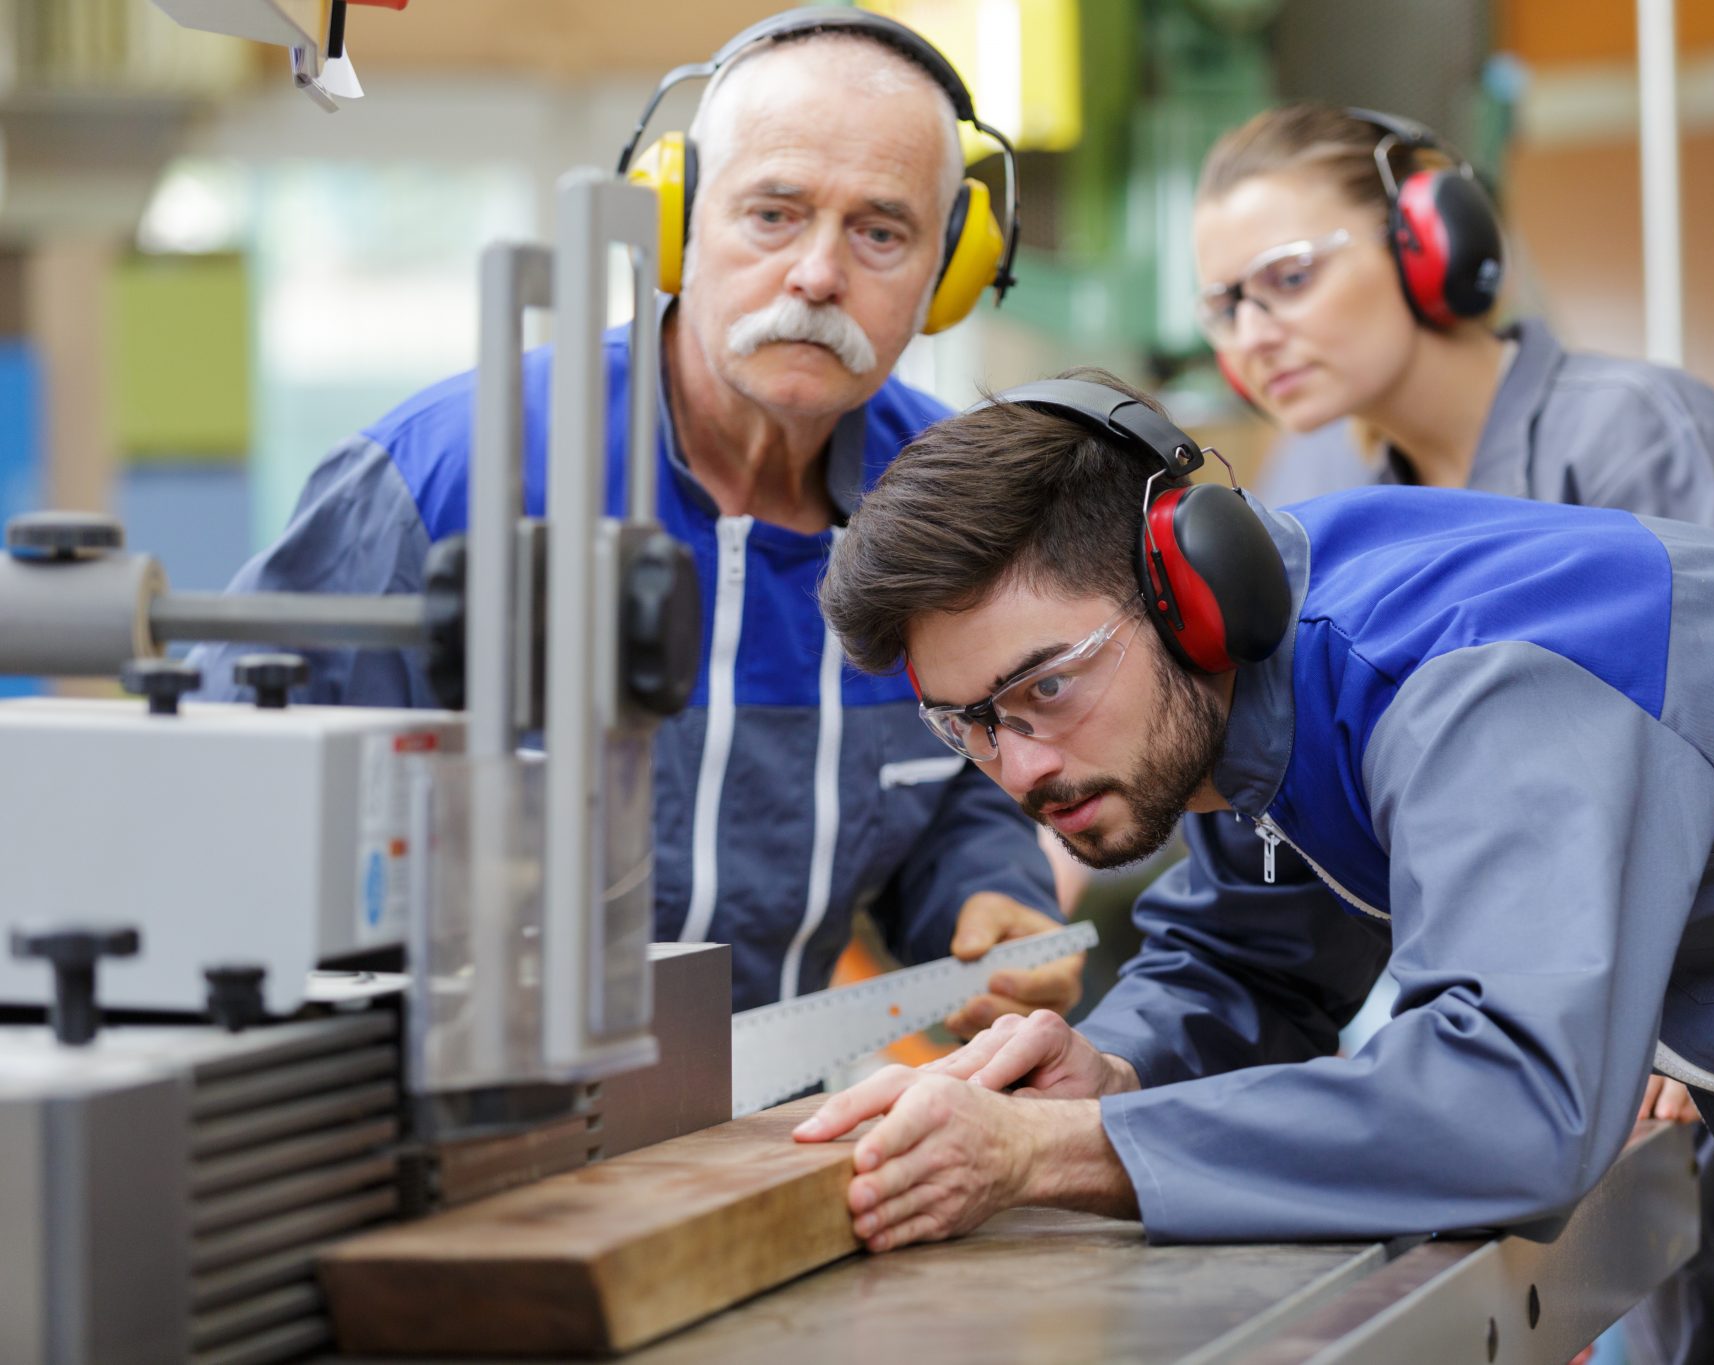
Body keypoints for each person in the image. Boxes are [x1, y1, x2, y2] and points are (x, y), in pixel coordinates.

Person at [797, 373, 1714, 1364]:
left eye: (1043, 689)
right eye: (967, 723)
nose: (1016, 768)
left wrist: (1041, 1155)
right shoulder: (1249, 692)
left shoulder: (1465, 677)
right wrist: (1105, 1076)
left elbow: (1516, 1104)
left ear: (1190, 589)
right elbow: (1246, 953)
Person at [188, 10, 1074, 1023]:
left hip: (760, 1141)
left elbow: (961, 777)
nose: (818, 274)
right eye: (773, 213)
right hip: (458, 1111)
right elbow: (229, 792)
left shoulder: (956, 508)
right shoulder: (446, 472)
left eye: (879, 231)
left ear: (948, 271)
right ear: (677, 221)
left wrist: (989, 889)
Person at [1194, 103, 1714, 1364]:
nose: (1250, 333)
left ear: (1433, 234)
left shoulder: (1642, 440)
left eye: (1283, 279)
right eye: (1220, 307)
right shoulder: (1329, 527)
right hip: (1591, 1098)